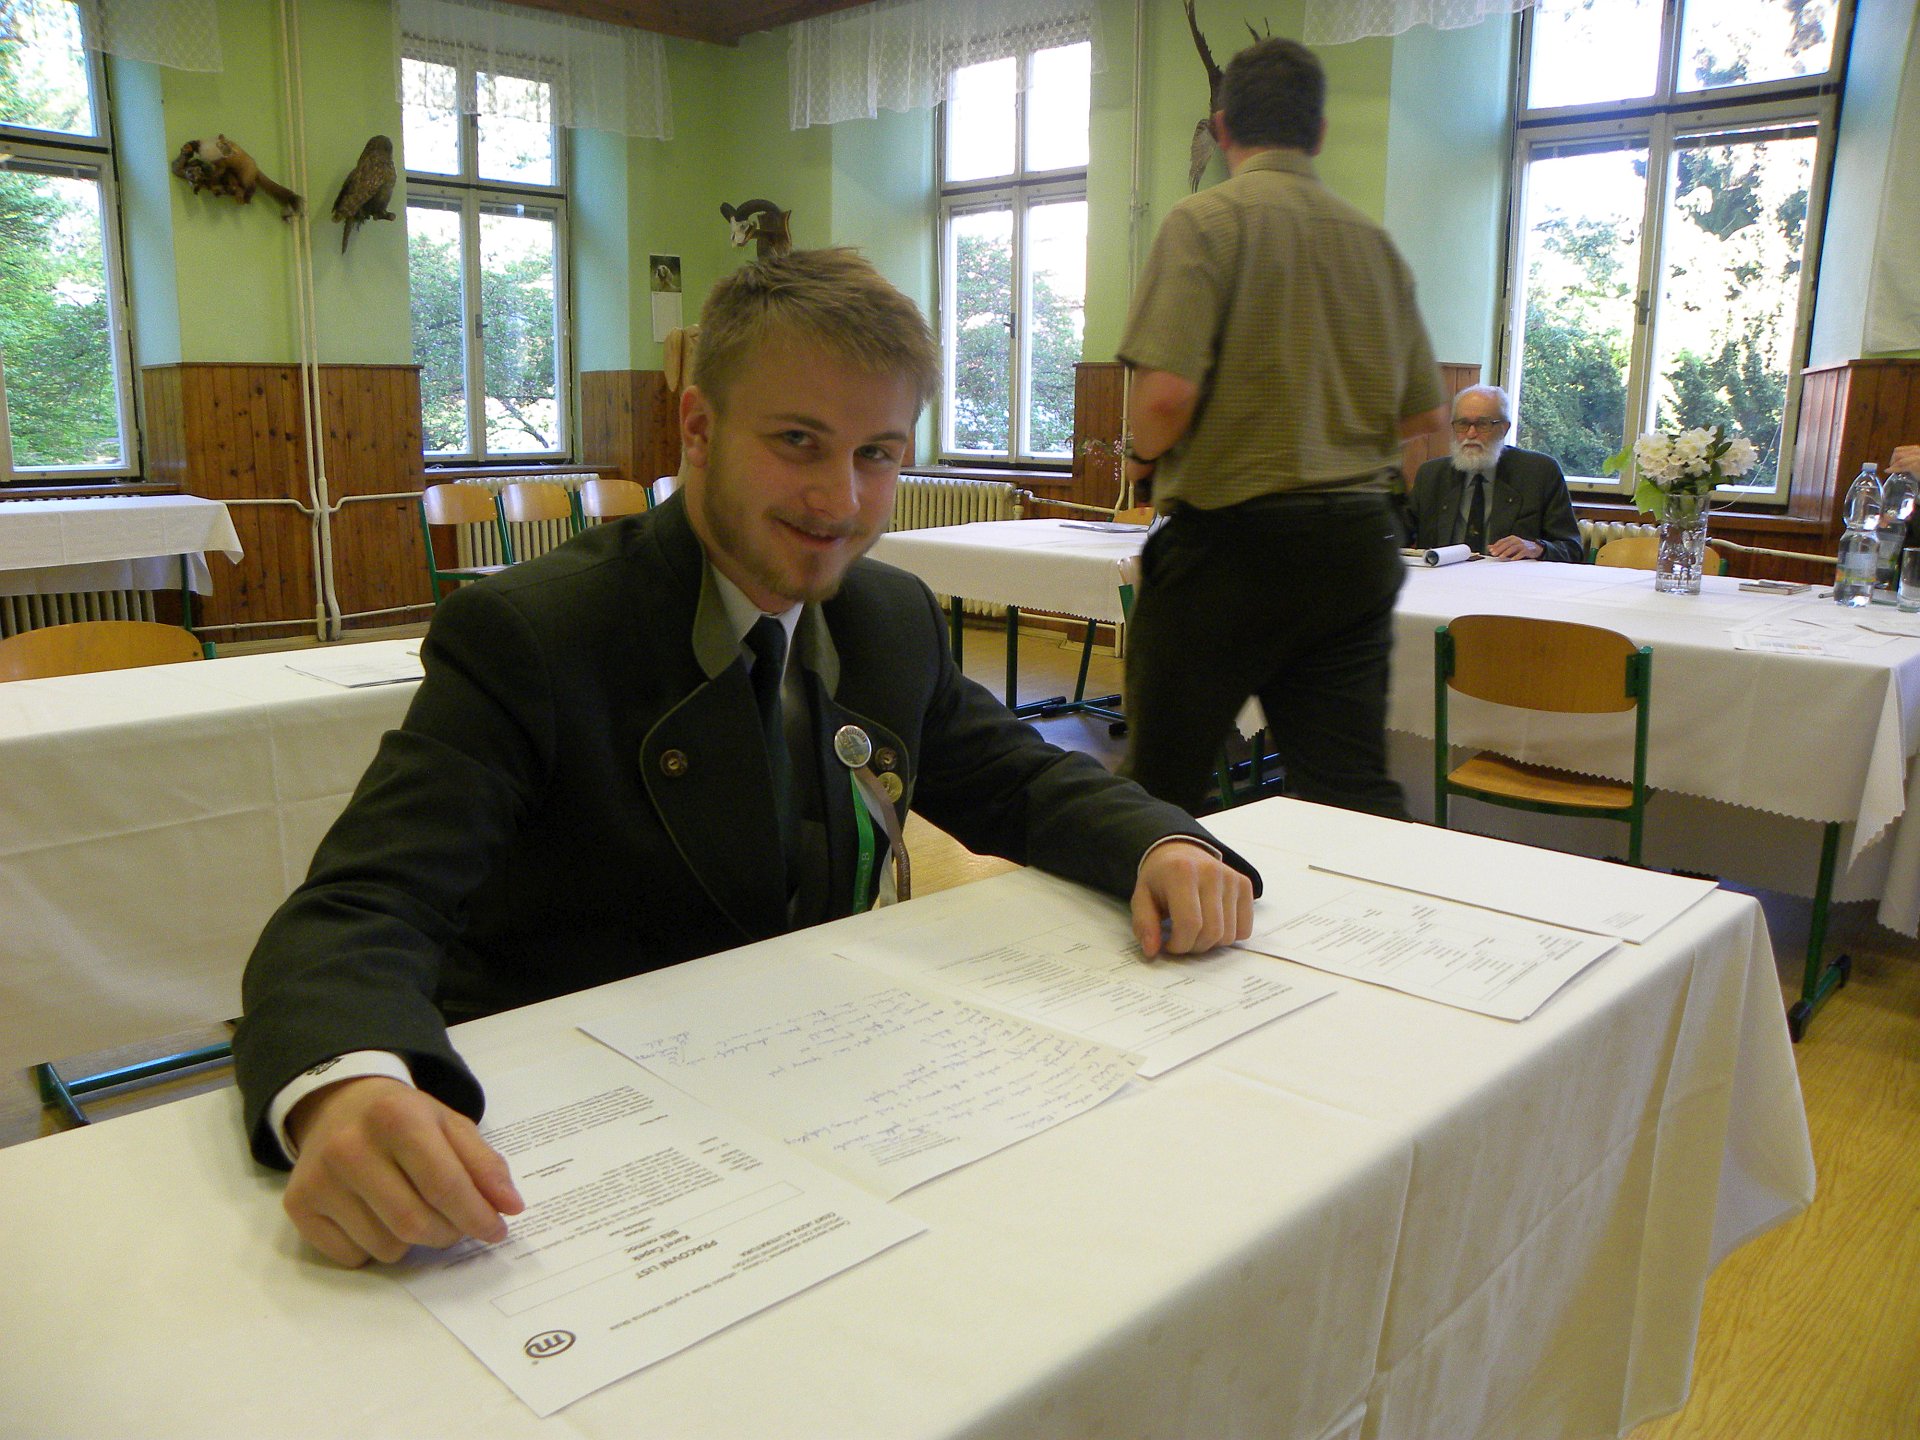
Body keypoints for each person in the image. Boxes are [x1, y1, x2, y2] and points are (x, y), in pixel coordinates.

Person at [234, 248, 1260, 1268]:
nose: (839, 498)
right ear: (699, 428)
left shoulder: (888, 616)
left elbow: (1018, 778)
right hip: (580, 1158)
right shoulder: (534, 635)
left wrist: (1160, 843)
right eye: (798, 441)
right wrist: (347, 1086)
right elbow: (361, 905)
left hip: (818, 1106)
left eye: (877, 453)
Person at [1115, 37, 1446, 821]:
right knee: (1347, 791)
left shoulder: (1204, 223)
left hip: (1230, 547)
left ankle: (1154, 888)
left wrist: (1139, 459)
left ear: (1222, 128)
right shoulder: (1375, 245)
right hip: (1356, 546)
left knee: (1160, 781)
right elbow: (1427, 417)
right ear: (1319, 133)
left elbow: (1163, 399)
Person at [1399, 385, 1583, 562]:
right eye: (1463, 424)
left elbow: (1572, 548)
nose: (1471, 433)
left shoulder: (1539, 472)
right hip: (1441, 578)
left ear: (1504, 428)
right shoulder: (1432, 475)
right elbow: (1398, 536)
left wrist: (1537, 548)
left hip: (1510, 579)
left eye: (1482, 424)